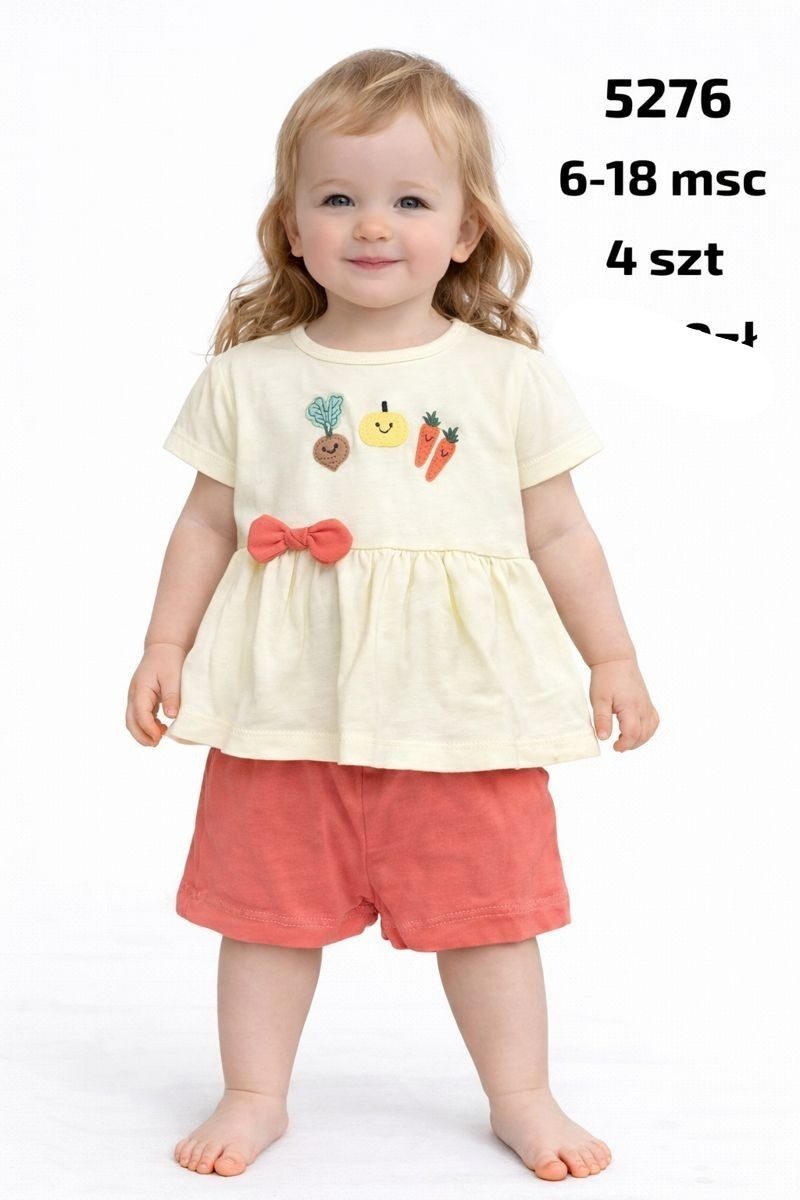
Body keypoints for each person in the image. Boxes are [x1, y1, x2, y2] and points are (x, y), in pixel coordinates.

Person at [126, 48, 659, 1181]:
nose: (373, 225)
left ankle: (521, 1096)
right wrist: (164, 644)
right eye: (338, 197)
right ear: (292, 227)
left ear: (466, 231)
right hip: (285, 707)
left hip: (461, 712)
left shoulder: (506, 377)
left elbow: (562, 534)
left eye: (411, 200)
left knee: (491, 917)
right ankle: (253, 1092)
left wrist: (611, 658)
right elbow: (206, 524)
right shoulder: (249, 376)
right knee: (263, 915)